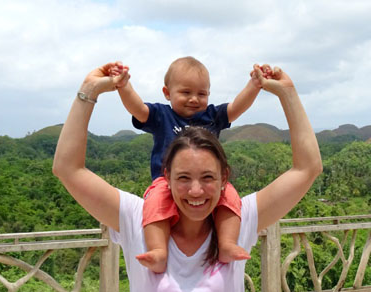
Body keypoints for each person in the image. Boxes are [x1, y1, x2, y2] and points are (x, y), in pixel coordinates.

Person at [52, 62, 322, 291]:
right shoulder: (139, 218)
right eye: (183, 178)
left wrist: (287, 93)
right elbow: (68, 168)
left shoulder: (238, 216)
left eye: (207, 177)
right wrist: (89, 90)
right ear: (166, 175)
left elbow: (307, 168)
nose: (195, 191)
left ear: (223, 177)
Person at [109, 57, 267, 272]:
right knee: (155, 203)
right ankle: (158, 251)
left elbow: (237, 107)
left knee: (230, 196)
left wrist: (255, 85)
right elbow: (137, 109)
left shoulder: (211, 116)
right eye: (185, 92)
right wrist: (123, 85)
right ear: (167, 92)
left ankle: (227, 243)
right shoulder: (162, 115)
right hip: (165, 182)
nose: (194, 99)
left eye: (201, 94)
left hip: (208, 183)